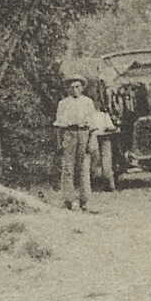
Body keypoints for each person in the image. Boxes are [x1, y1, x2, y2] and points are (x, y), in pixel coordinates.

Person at [55, 77, 99, 211]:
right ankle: (69, 200)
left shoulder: (87, 102)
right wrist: (59, 142)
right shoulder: (63, 103)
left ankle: (84, 200)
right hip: (69, 134)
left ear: (82, 88)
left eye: (78, 87)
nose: (75, 90)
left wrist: (91, 140)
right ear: (68, 88)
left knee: (84, 167)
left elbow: (92, 124)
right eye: (72, 87)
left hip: (84, 133)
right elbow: (59, 125)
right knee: (68, 168)